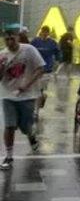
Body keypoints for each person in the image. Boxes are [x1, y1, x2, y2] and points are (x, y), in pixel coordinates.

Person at [0, 26, 45, 169]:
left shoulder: (29, 50)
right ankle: (9, 156)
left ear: (18, 37)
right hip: (8, 96)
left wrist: (27, 84)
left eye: (12, 38)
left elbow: (40, 68)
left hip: (27, 95)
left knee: (26, 127)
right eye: (6, 39)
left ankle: (31, 136)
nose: (9, 41)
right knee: (9, 125)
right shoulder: (2, 55)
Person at [31, 25, 60, 116]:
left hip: (46, 70)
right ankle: (41, 100)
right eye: (43, 31)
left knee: (39, 91)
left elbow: (58, 53)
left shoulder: (52, 43)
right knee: (35, 90)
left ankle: (36, 111)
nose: (44, 34)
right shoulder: (35, 41)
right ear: (41, 32)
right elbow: (29, 51)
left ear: (48, 33)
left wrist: (57, 62)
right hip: (35, 69)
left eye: (46, 32)